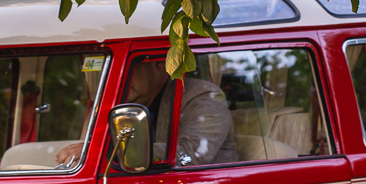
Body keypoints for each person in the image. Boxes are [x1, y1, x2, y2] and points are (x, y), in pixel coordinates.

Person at [54, 57, 237, 167]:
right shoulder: (118, 104)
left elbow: (191, 153)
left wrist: (109, 151)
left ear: (158, 64)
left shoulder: (200, 95)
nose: (118, 77)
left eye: (129, 67)